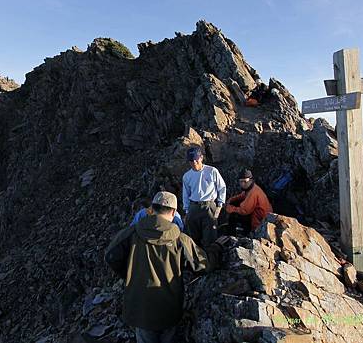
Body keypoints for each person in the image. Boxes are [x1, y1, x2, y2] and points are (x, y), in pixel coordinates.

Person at [105, 191, 223, 343]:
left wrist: (128, 275)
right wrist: (216, 247)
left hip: (141, 309)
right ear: (173, 212)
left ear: (152, 209)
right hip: (169, 309)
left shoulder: (131, 233)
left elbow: (110, 256)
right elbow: (203, 264)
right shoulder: (180, 239)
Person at [182, 147, 226, 247]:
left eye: (196, 160)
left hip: (209, 205)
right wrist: (187, 211)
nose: (194, 162)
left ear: (201, 158)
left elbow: (222, 187)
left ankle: (209, 259)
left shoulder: (212, 171)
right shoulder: (187, 176)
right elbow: (186, 194)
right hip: (193, 206)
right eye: (191, 160)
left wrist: (220, 205)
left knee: (210, 237)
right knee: (192, 238)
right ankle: (194, 260)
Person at [225, 168, 273, 233]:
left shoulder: (253, 193)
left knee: (234, 215)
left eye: (245, 181)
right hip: (261, 216)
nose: (242, 184)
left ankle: (233, 234)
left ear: (251, 180)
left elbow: (244, 210)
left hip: (259, 221)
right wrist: (231, 200)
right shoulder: (251, 188)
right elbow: (242, 195)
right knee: (235, 203)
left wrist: (229, 208)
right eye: (241, 181)